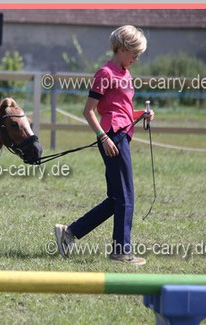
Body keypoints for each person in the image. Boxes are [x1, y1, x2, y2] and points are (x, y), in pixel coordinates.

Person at [55, 25, 154, 265]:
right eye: (134, 53)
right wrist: (103, 137)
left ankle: (69, 232)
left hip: (121, 134)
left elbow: (123, 112)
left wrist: (141, 114)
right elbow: (88, 111)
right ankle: (121, 251)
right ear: (121, 49)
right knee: (126, 196)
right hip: (112, 138)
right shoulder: (105, 73)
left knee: (116, 199)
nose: (136, 58)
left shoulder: (125, 74)